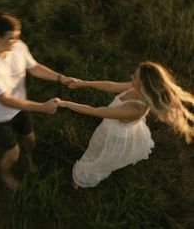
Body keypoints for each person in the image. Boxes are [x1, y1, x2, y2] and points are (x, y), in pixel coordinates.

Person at [0, 11, 77, 190]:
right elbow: (6, 100)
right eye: (11, 38)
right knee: (12, 153)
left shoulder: (17, 46)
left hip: (21, 106)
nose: (16, 42)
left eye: (18, 37)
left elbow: (34, 67)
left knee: (30, 139)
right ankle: (5, 174)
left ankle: (29, 157)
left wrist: (60, 78)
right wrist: (42, 107)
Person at [54, 61, 194, 189]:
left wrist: (64, 103)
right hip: (115, 125)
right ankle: (83, 175)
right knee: (96, 151)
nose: (131, 76)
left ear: (144, 84)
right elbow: (111, 85)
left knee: (98, 156)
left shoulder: (135, 110)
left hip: (115, 135)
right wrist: (83, 83)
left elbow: (96, 111)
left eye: (136, 77)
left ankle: (80, 181)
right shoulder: (136, 88)